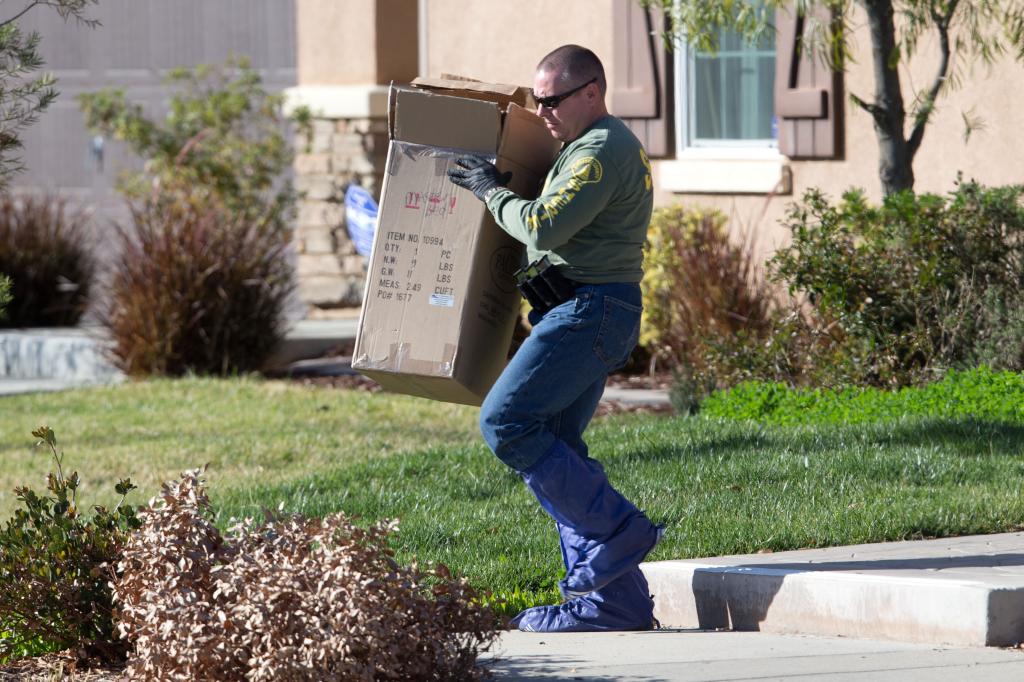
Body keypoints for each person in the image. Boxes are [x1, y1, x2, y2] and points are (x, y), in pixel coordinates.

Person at [447, 44, 662, 633]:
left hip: (589, 312)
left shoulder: (601, 150)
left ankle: (620, 530)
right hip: (584, 311)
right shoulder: (584, 144)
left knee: (505, 422)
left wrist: (492, 192)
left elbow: (543, 223)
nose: (541, 111)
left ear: (591, 91)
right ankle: (613, 604)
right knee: (559, 450)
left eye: (552, 100)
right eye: (536, 99)